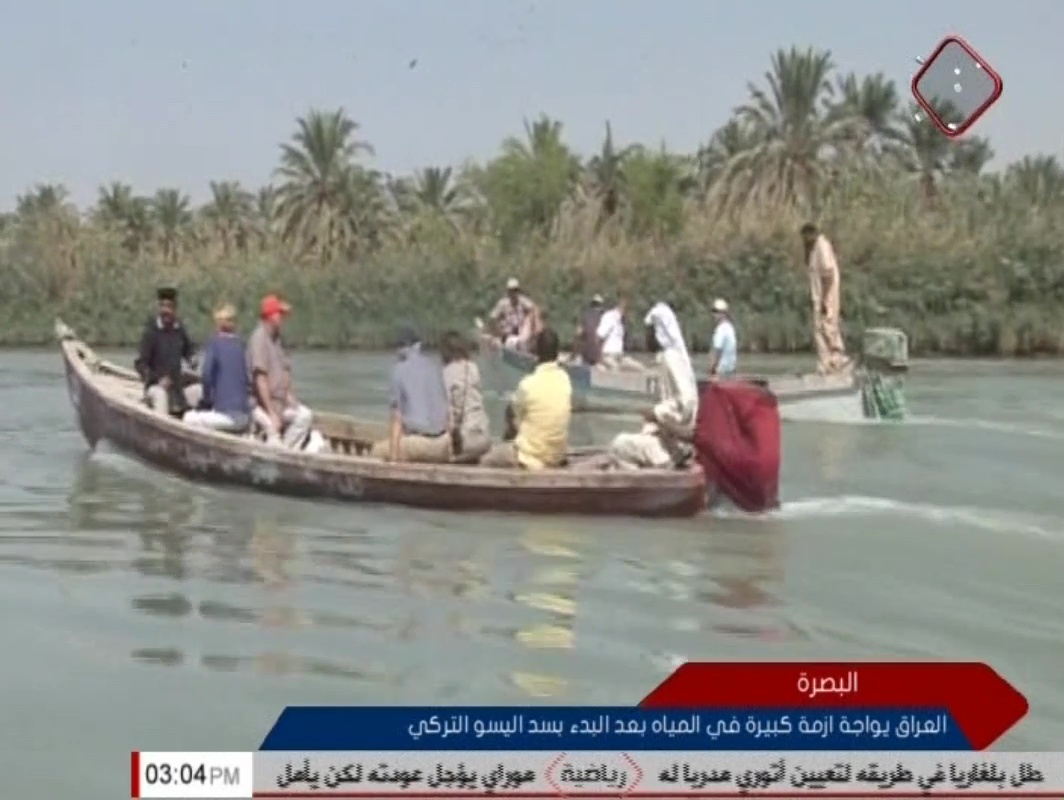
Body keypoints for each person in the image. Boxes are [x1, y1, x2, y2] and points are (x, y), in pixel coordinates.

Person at [608, 301, 699, 470]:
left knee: (618, 445)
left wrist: (656, 413)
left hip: (672, 445)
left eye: (649, 332)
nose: (646, 337)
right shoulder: (671, 358)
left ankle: (650, 474)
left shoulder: (671, 360)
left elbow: (687, 402)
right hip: (669, 438)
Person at [480, 328, 571, 470]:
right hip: (556, 455)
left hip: (530, 456)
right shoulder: (565, 380)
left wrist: (510, 433)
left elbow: (512, 414)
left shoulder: (528, 384)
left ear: (536, 353)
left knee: (485, 461)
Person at [370, 325, 452, 463]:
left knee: (376, 451)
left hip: (421, 442)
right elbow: (447, 411)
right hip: (443, 443)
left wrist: (394, 459)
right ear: (418, 345)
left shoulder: (398, 371)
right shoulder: (435, 366)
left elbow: (397, 418)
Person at [247, 294, 313, 448]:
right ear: (270, 316)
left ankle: (287, 448)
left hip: (280, 402)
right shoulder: (259, 338)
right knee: (272, 429)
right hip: (261, 405)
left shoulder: (279, 339)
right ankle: (278, 448)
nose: (282, 318)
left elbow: (286, 371)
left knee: (304, 415)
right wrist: (271, 412)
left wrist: (289, 396)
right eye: (279, 314)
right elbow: (260, 380)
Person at [184, 303, 252, 433]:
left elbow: (206, 375)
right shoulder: (241, 346)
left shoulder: (215, 344)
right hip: (244, 416)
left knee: (188, 418)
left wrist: (207, 400)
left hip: (225, 416)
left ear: (218, 325)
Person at [134, 285, 201, 416]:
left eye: (169, 307)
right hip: (156, 387)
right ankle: (161, 424)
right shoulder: (151, 332)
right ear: (158, 307)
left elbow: (189, 350)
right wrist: (157, 379)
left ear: (175, 309)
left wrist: (192, 358)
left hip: (177, 387)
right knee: (161, 396)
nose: (166, 310)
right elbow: (140, 364)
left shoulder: (179, 329)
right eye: (163, 306)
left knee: (201, 391)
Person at [801, 223, 852, 375]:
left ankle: (837, 358)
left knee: (827, 327)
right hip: (819, 296)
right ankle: (826, 362)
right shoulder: (814, 249)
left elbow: (828, 274)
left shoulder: (821, 246)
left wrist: (824, 299)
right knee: (819, 330)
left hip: (827, 295)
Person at [440, 331, 492, 464]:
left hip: (464, 441)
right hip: (484, 437)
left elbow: (449, 414)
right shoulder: (473, 368)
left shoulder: (447, 373)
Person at [490, 277, 540, 351]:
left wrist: (535, 325)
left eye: (516, 290)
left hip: (521, 334)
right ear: (508, 292)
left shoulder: (522, 301)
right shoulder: (503, 303)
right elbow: (493, 317)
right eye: (511, 291)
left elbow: (533, 308)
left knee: (524, 341)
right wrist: (498, 331)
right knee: (511, 343)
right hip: (507, 334)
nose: (513, 293)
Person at [596, 297, 645, 371]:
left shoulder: (621, 320)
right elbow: (599, 335)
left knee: (640, 367)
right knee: (616, 368)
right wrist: (597, 355)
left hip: (619, 355)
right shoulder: (610, 317)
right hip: (608, 354)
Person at [708, 298, 738, 378]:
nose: (714, 314)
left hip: (720, 372)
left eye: (716, 311)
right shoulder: (730, 327)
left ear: (724, 313)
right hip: (730, 371)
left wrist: (712, 370)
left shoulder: (720, 329)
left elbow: (717, 351)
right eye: (713, 311)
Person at [573, 293, 605, 366]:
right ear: (601, 305)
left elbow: (578, 333)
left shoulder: (585, 315)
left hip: (586, 352)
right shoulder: (605, 317)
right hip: (599, 354)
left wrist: (574, 353)